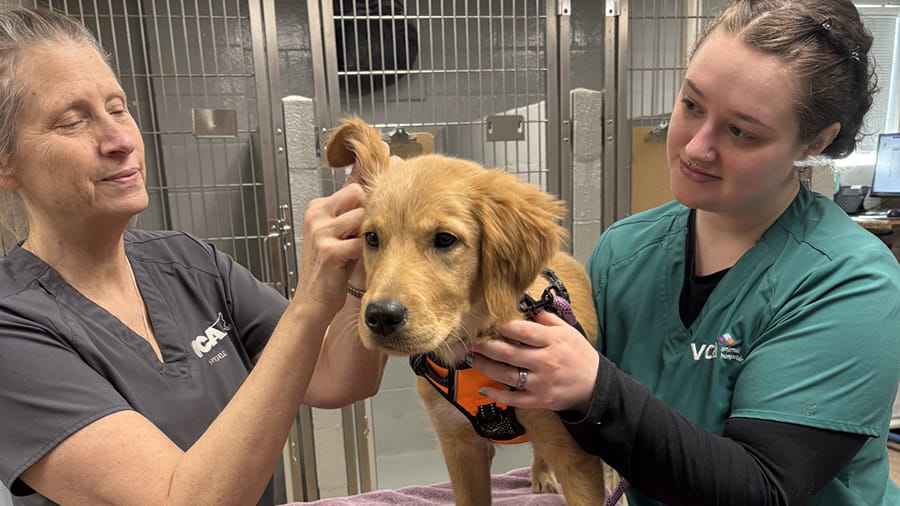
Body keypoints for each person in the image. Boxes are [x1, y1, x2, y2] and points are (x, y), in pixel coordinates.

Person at [469, 0, 900, 504]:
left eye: (741, 131)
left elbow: (762, 489)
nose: (695, 147)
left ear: (814, 141)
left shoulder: (852, 284)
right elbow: (585, 428)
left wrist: (595, 390)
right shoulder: (624, 252)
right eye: (691, 104)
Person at [0, 7, 386, 506]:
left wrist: (368, 267)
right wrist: (311, 302)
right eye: (73, 122)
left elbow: (339, 379)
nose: (120, 141)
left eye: (118, 109)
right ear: (6, 163)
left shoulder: (189, 264)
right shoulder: (13, 327)